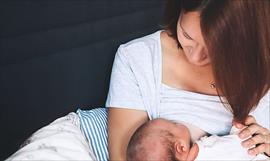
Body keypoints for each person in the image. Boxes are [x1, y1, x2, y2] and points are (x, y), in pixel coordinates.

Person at [106, 0, 270, 160]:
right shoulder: (137, 59)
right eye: (187, 35)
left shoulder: (261, 73)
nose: (195, 57)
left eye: (212, 49)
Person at [126, 118, 269, 161]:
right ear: (181, 148)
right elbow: (240, 146)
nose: (178, 122)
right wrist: (240, 127)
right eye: (174, 124)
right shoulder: (206, 150)